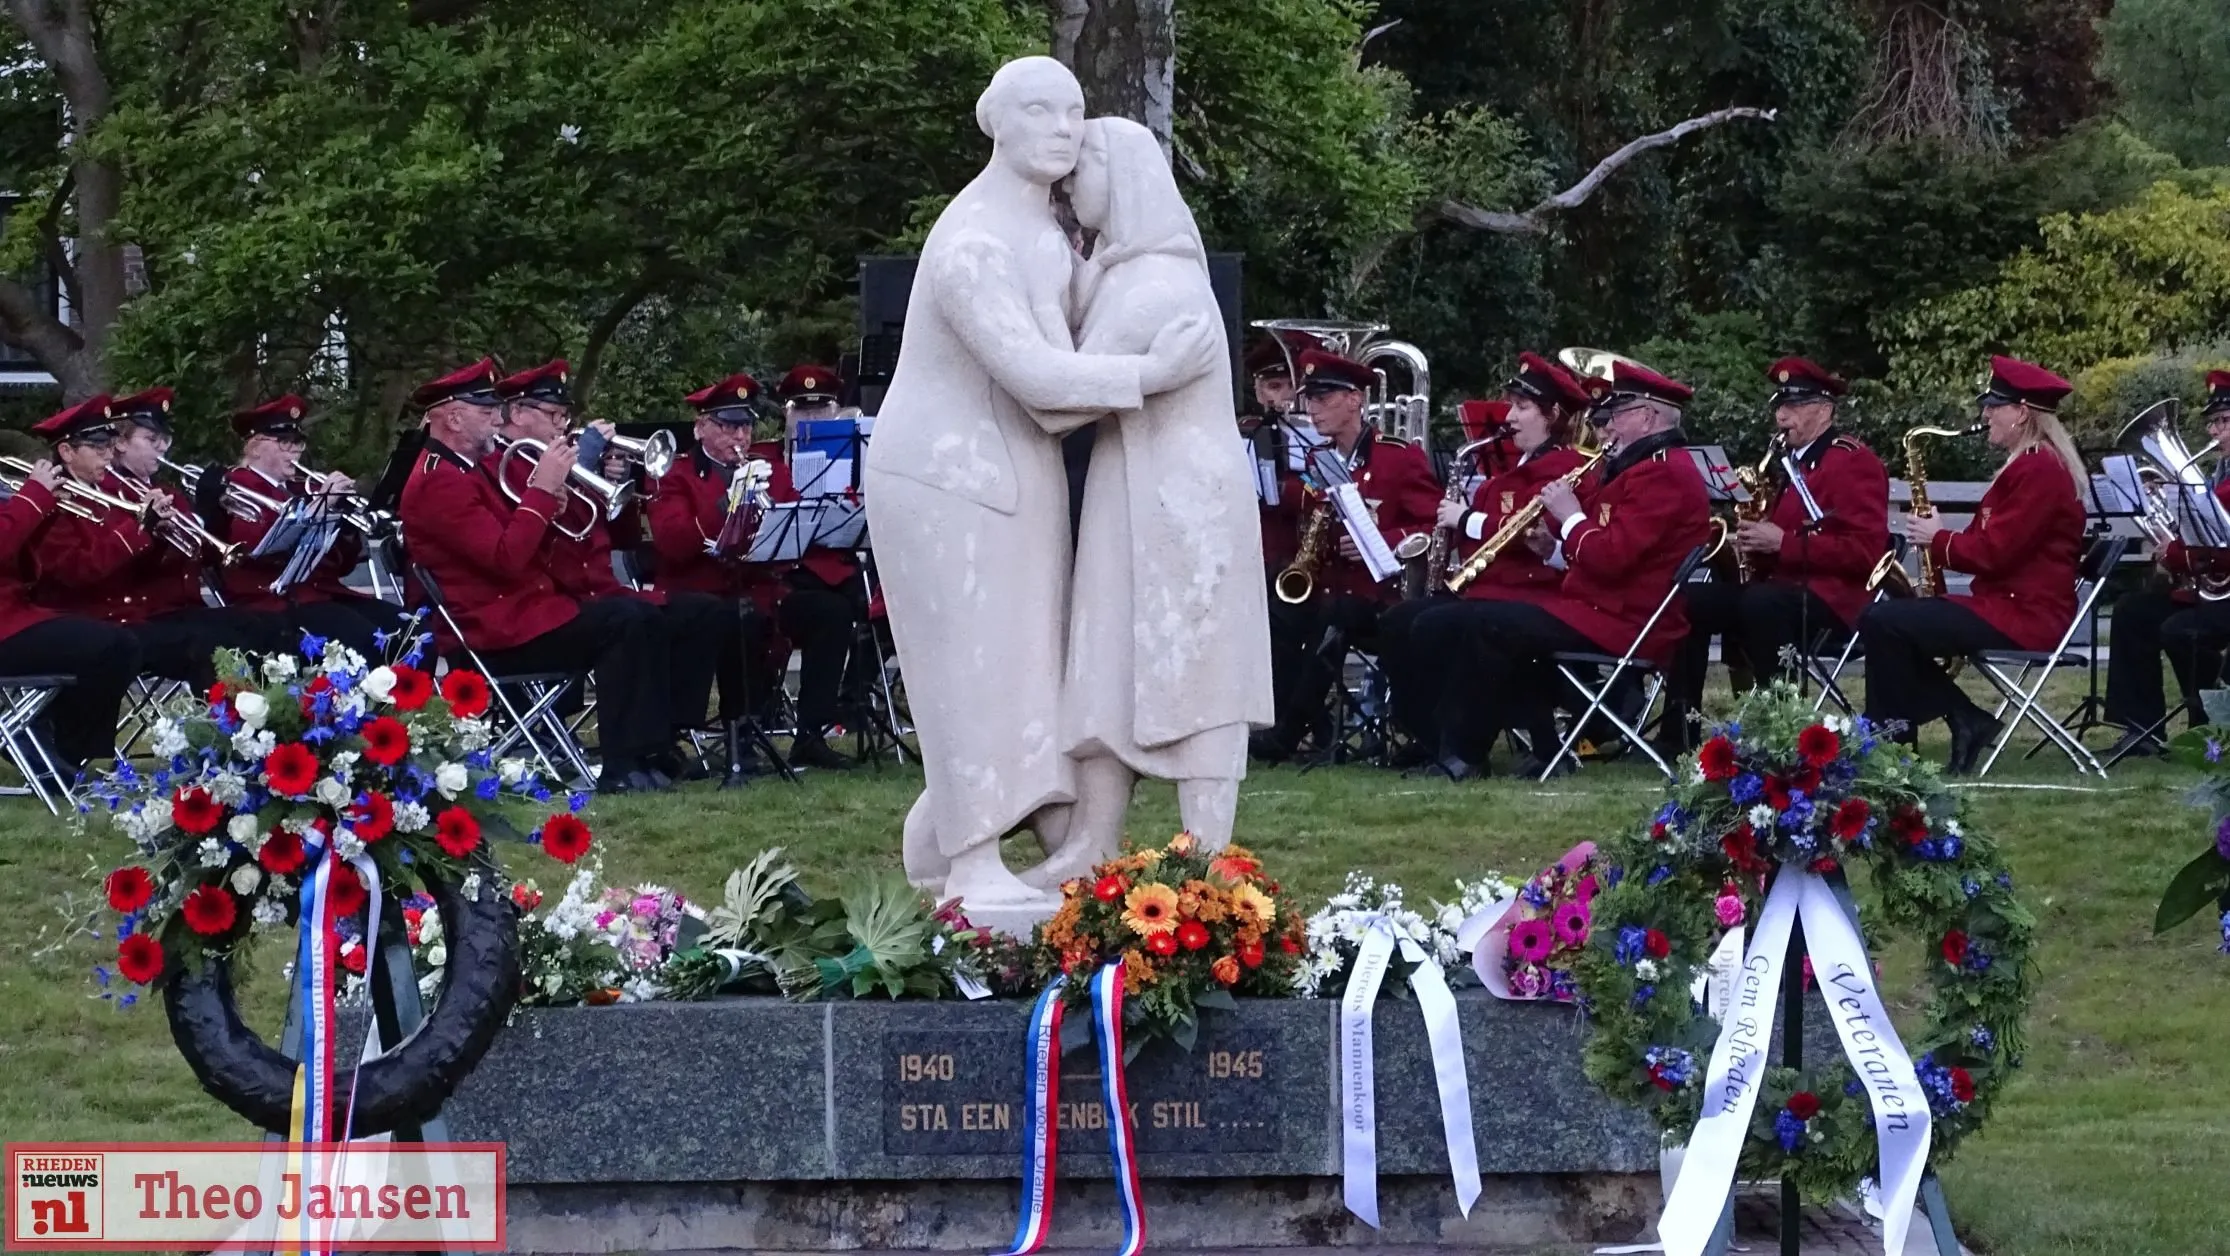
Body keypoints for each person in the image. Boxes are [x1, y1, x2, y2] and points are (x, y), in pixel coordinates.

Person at [861, 55, 1221, 912]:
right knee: (971, 667)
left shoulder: (1045, 228)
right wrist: (1155, 369)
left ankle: (997, 840)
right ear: (996, 120)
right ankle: (972, 860)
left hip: (1017, 469)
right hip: (948, 476)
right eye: (1039, 109)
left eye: (1074, 111)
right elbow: (1038, 379)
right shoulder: (974, 240)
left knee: (1028, 668)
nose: (1063, 127)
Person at [1051, 114, 1274, 864]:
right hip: (1137, 488)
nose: (1069, 188)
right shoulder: (1126, 275)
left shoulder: (1158, 284)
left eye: (1079, 172)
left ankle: (1206, 856)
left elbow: (1064, 396)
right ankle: (1095, 841)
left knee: (1198, 667)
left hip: (1180, 503)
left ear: (1120, 177)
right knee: (1109, 659)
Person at [1411, 360, 1712, 779]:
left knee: (1490, 623)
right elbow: (1597, 555)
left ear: (1646, 417)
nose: (1606, 429)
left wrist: (1569, 516)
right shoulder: (1642, 468)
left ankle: (1464, 754)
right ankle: (1544, 747)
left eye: (1616, 416)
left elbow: (1612, 557)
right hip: (1601, 606)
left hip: (1629, 619)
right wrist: (1552, 547)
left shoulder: (1663, 473)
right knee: (1495, 622)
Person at [398, 357, 672, 794]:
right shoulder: (439, 480)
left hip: (525, 614)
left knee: (638, 615)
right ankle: (622, 763)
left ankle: (648, 753)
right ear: (452, 417)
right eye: (486, 413)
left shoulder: (465, 469)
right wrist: (541, 492)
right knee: (624, 621)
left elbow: (522, 542)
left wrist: (551, 506)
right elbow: (505, 558)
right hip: (493, 632)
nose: (495, 422)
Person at [495, 359, 740, 779]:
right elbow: (549, 535)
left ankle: (667, 736)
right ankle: (625, 757)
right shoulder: (510, 463)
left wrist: (616, 479)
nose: (562, 425)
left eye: (564, 416)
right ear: (518, 415)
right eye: (554, 415)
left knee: (703, 613)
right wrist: (581, 469)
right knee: (632, 621)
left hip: (601, 589)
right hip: (561, 598)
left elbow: (620, 537)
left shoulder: (556, 459)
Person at [1856, 355, 2087, 775]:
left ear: (2021, 412)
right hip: (2009, 606)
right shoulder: (2033, 464)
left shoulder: (2040, 469)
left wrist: (1938, 539)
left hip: (2026, 614)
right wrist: (1945, 537)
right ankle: (1956, 722)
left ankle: (1902, 744)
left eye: (1994, 405)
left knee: (1885, 621)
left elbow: (1996, 553)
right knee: (1886, 622)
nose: (1985, 414)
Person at [1377, 352, 1592, 764]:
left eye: (1522, 407)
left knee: (1433, 625)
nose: (1509, 417)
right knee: (1396, 622)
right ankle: (1426, 734)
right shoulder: (1509, 471)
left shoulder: (1566, 467)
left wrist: (1467, 519)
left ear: (1553, 415)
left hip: (1530, 594)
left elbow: (1527, 528)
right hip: (1485, 590)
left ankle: (1461, 747)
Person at [1664, 357, 1890, 748]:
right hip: (1782, 591)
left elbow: (1864, 553)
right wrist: (1754, 545)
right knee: (1690, 601)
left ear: (1824, 410)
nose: (1782, 417)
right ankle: (1679, 734)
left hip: (1836, 600)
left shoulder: (1852, 461)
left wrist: (1781, 543)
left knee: (1762, 604)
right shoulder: (1791, 464)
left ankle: (1781, 732)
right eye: (1779, 408)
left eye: (1794, 407)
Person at [1251, 348, 1441, 764]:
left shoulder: (1398, 457)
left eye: (1322, 399)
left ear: (1354, 399)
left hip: (1382, 595)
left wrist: (1384, 539)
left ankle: (1285, 735)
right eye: (1310, 400)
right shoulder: (1319, 459)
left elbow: (1435, 525)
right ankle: (1291, 722)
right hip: (1329, 584)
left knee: (1333, 617)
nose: (1311, 410)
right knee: (1278, 613)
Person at [32, 389, 285, 686]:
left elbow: (162, 560)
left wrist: (204, 518)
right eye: (98, 446)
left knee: (256, 627)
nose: (107, 454)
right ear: (66, 452)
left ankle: (266, 722)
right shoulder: (58, 501)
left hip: (136, 614)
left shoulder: (107, 493)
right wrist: (143, 530)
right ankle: (219, 726)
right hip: (101, 620)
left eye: (109, 445)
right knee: (208, 646)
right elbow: (80, 571)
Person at [217, 394, 410, 657]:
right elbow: (255, 547)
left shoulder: (300, 487)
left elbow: (342, 566)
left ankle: (414, 698)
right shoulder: (237, 485)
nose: (295, 451)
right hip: (271, 601)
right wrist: (320, 507)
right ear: (255, 446)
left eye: (298, 443)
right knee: (370, 641)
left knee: (414, 632)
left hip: (321, 593)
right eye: (285, 443)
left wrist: (347, 525)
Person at [0, 441, 143, 768]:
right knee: (111, 646)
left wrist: (47, 508)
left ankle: (50, 744)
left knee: (119, 644)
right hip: (6, 626)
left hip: (15, 616)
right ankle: (51, 747)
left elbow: (24, 557)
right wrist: (33, 498)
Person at [2114, 371, 2230, 750]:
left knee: (2182, 629)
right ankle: (2141, 728)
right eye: (2212, 422)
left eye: (2224, 422)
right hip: (2211, 589)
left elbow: (2218, 543)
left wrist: (2175, 551)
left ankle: (2209, 721)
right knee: (2133, 611)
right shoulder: (2217, 475)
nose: (2214, 432)